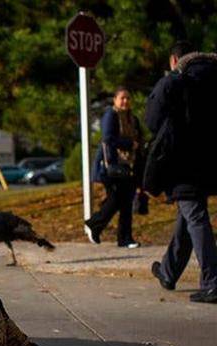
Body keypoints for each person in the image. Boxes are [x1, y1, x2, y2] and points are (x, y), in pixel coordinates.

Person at [145, 41, 217, 303]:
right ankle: (168, 271)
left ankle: (212, 281)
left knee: (195, 217)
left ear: (174, 60)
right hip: (211, 162)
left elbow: (152, 121)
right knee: (188, 215)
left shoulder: (176, 80)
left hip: (183, 163)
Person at [85, 87, 144, 249]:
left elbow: (139, 138)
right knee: (115, 201)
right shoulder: (111, 115)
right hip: (112, 167)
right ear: (115, 100)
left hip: (129, 166)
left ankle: (125, 238)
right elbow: (108, 139)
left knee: (126, 204)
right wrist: (129, 144)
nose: (125, 101)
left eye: (128, 98)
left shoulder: (133, 118)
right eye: (122, 98)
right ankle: (95, 223)